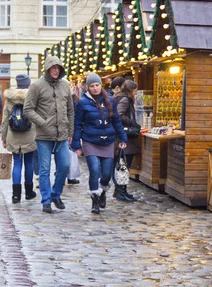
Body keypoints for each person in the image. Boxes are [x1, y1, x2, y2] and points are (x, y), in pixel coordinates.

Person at [24, 56, 74, 214]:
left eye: (58, 68)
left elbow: (70, 110)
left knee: (64, 166)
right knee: (44, 169)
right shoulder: (37, 86)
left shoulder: (65, 86)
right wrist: (42, 122)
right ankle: (46, 201)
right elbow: (28, 109)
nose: (56, 70)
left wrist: (70, 131)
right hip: (43, 135)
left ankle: (56, 194)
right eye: (53, 67)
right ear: (47, 68)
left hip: (62, 135)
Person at [72, 73, 127, 214]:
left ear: (100, 85)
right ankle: (94, 201)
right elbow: (77, 124)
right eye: (92, 86)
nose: (95, 88)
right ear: (88, 88)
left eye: (97, 85)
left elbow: (116, 121)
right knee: (94, 170)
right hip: (90, 141)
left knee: (107, 174)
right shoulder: (83, 102)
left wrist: (122, 138)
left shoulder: (110, 100)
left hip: (107, 141)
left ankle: (103, 192)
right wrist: (77, 145)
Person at [1, 74, 36, 203]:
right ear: (28, 83)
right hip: (30, 135)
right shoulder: (33, 97)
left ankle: (15, 196)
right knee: (29, 162)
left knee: (17, 163)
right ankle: (28, 192)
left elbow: (5, 120)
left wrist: (3, 138)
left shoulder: (10, 98)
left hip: (13, 135)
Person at [113, 79, 140, 202]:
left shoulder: (121, 98)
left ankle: (121, 191)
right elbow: (119, 114)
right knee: (124, 165)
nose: (135, 93)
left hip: (121, 137)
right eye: (134, 90)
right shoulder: (124, 100)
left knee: (122, 165)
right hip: (124, 138)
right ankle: (120, 192)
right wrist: (132, 123)